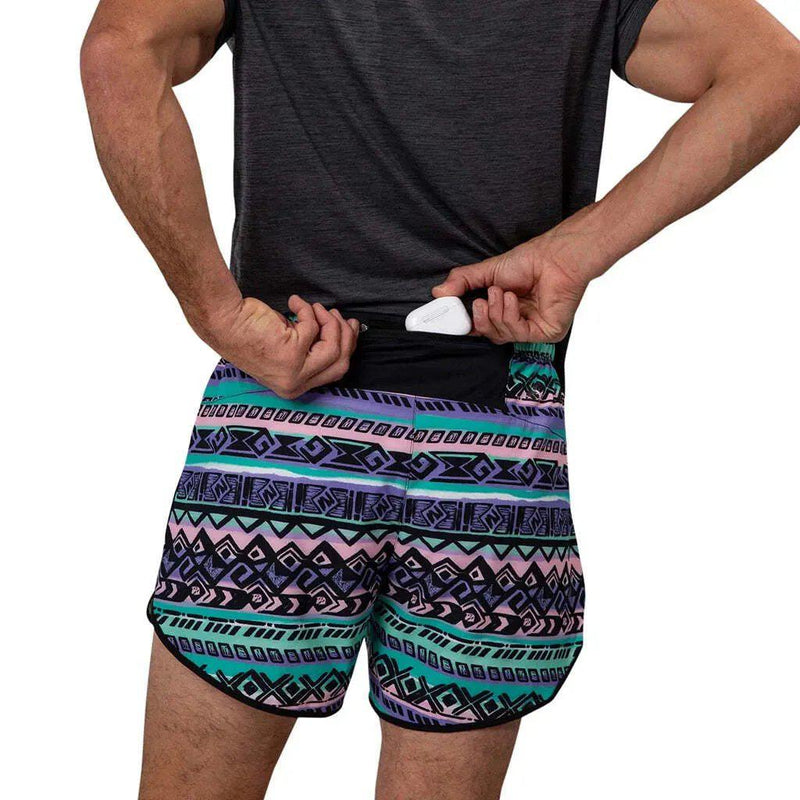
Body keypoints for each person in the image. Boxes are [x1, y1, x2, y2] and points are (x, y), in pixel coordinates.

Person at [80, 0, 800, 797]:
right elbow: (774, 68)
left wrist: (218, 312)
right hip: (492, 445)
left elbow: (120, 51)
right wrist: (574, 254)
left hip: (285, 424)